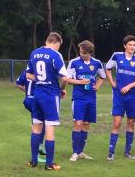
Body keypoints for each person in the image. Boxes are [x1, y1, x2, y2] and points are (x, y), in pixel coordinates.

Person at [25, 32, 69, 170]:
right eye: (59, 46)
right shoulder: (56, 55)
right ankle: (49, 163)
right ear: (56, 43)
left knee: (37, 126)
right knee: (50, 128)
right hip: (50, 95)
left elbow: (28, 75)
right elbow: (65, 78)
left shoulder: (34, 53)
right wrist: (61, 89)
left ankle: (33, 161)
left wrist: (40, 79)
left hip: (37, 93)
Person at [105, 35, 135, 161]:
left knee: (131, 122)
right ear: (125, 46)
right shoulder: (117, 56)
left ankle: (127, 152)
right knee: (117, 123)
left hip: (133, 96)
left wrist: (129, 86)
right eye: (130, 45)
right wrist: (112, 82)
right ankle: (111, 152)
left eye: (134, 45)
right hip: (119, 96)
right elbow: (107, 68)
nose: (132, 47)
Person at [66, 40, 106, 162]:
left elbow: (102, 77)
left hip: (91, 98)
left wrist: (97, 86)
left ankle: (81, 151)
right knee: (78, 123)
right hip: (78, 98)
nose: (81, 54)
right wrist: (80, 82)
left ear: (89, 53)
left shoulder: (97, 63)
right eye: (80, 52)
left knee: (86, 124)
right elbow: (67, 79)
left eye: (83, 52)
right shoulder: (74, 63)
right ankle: (74, 153)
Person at [15, 68, 46, 162]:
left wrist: (27, 91)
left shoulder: (26, 71)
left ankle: (39, 145)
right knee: (37, 125)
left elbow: (18, 83)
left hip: (28, 99)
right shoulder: (42, 73)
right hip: (36, 100)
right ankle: (36, 152)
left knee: (41, 122)